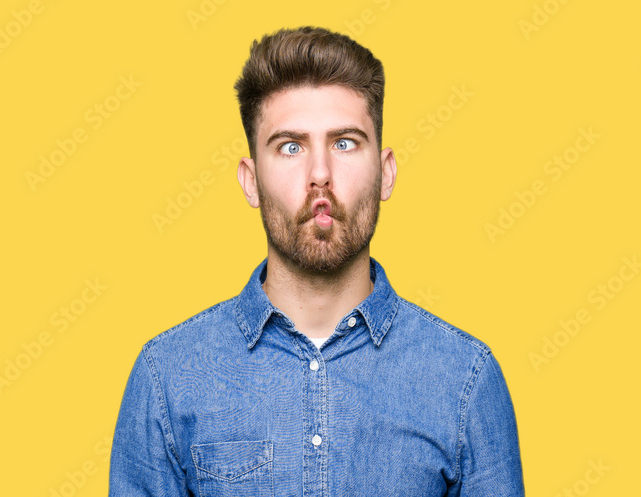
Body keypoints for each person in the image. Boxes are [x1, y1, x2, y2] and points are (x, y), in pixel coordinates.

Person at [108, 26, 524, 496]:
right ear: (251, 181)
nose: (320, 174)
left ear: (385, 173)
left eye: (344, 143)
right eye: (291, 146)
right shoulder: (166, 377)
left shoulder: (466, 379)